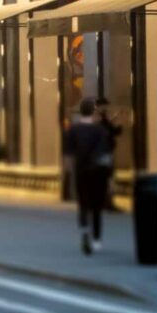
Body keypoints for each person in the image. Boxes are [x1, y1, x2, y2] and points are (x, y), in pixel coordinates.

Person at [64, 99, 117, 255]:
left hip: (81, 171)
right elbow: (106, 153)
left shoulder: (73, 130)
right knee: (97, 206)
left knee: (83, 205)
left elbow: (68, 155)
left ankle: (84, 233)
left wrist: (69, 174)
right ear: (93, 112)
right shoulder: (100, 130)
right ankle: (97, 239)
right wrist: (109, 176)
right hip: (98, 172)